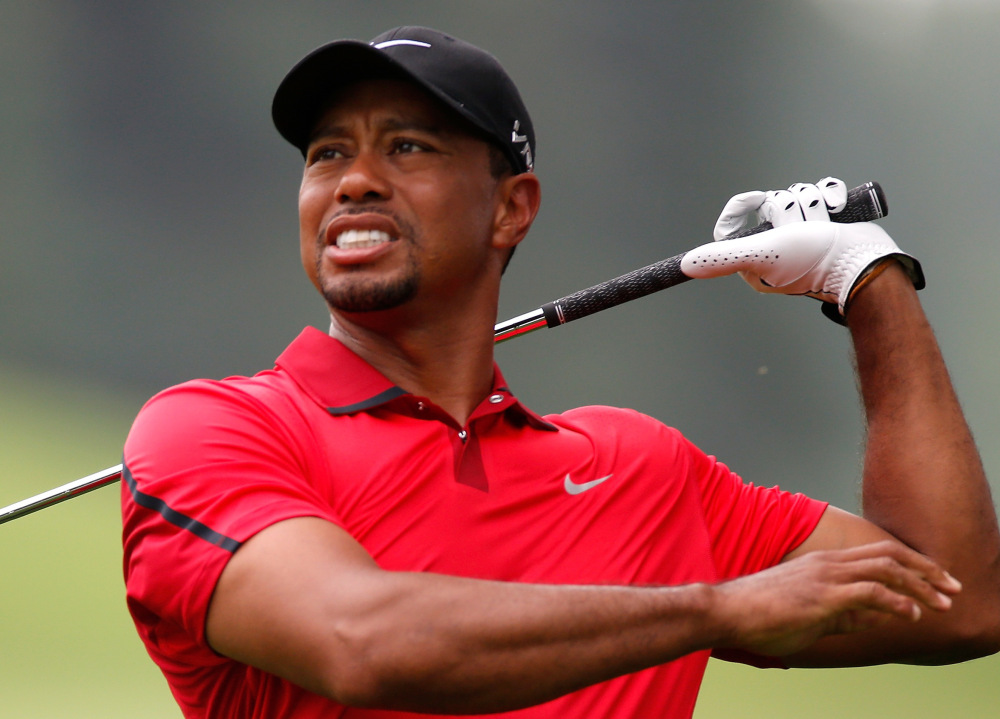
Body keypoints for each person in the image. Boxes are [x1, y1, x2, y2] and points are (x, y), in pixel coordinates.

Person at [121, 25, 1000, 718]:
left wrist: (866, 277)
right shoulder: (211, 432)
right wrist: (715, 609)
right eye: (327, 154)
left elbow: (961, 601)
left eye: (408, 148)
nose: (353, 181)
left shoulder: (642, 470)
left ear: (512, 207)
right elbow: (361, 638)